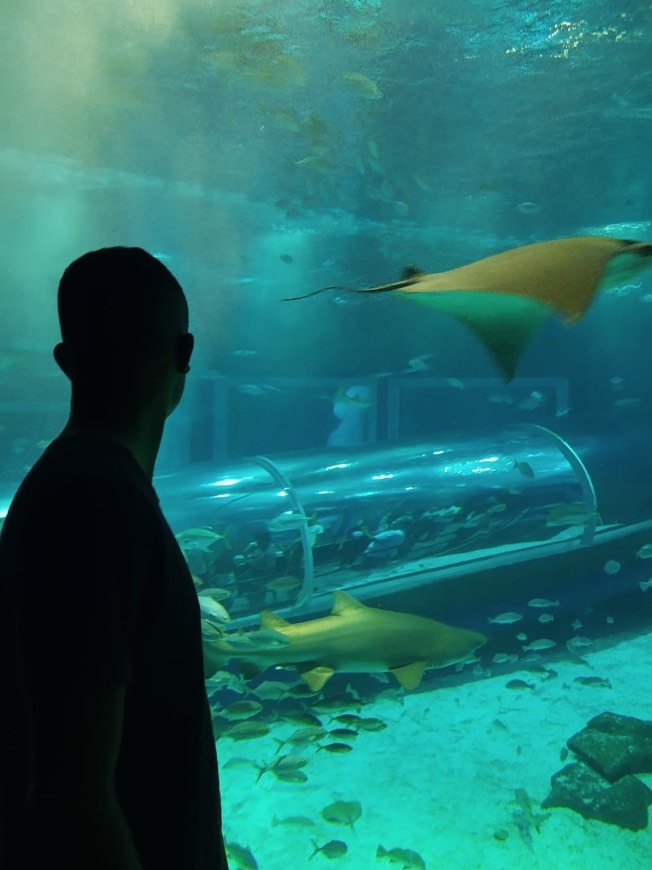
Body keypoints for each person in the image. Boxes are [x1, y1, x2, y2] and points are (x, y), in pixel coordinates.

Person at [0, 248, 229, 869]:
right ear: (185, 353)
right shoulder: (94, 503)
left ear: (65, 361)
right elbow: (73, 792)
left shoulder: (84, 488)